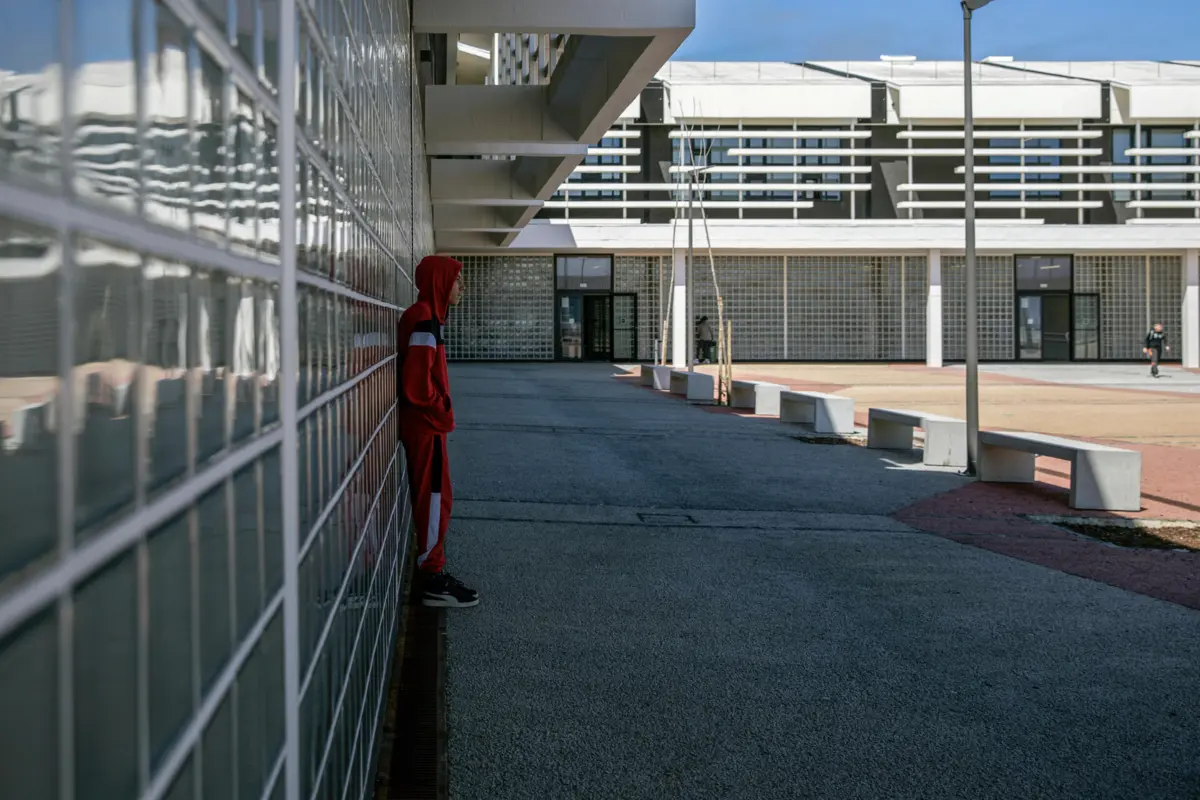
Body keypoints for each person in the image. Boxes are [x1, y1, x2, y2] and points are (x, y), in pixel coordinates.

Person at [397, 255, 478, 608]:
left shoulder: (427, 316)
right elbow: (417, 386)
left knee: (437, 498)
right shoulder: (423, 317)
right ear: (440, 282)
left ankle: (434, 568)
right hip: (425, 425)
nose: (462, 286)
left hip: (427, 425)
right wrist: (440, 407)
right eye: (457, 279)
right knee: (434, 500)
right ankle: (432, 578)